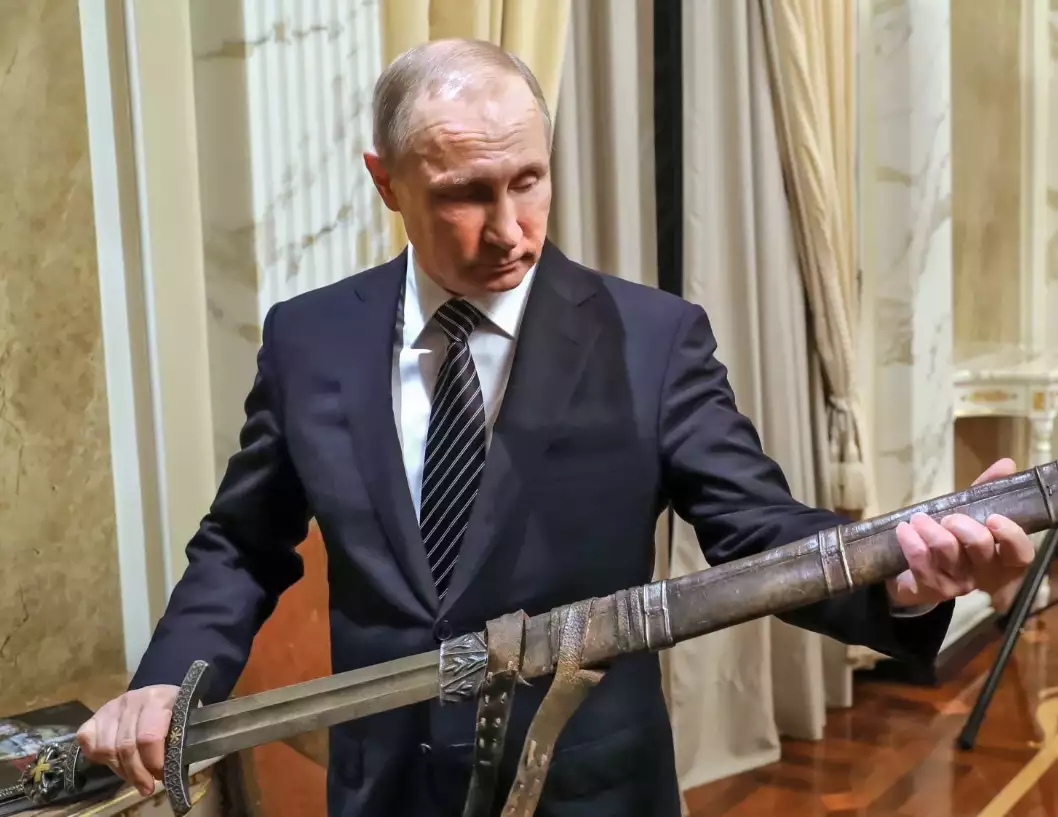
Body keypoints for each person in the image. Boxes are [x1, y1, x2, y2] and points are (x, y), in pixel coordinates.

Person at [76, 38, 1035, 817]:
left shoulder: (654, 339)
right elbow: (243, 542)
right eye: (465, 193)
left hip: (589, 791)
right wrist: (167, 681)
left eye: (529, 180)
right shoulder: (308, 339)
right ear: (386, 181)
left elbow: (759, 532)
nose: (510, 229)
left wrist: (901, 575)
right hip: (385, 790)